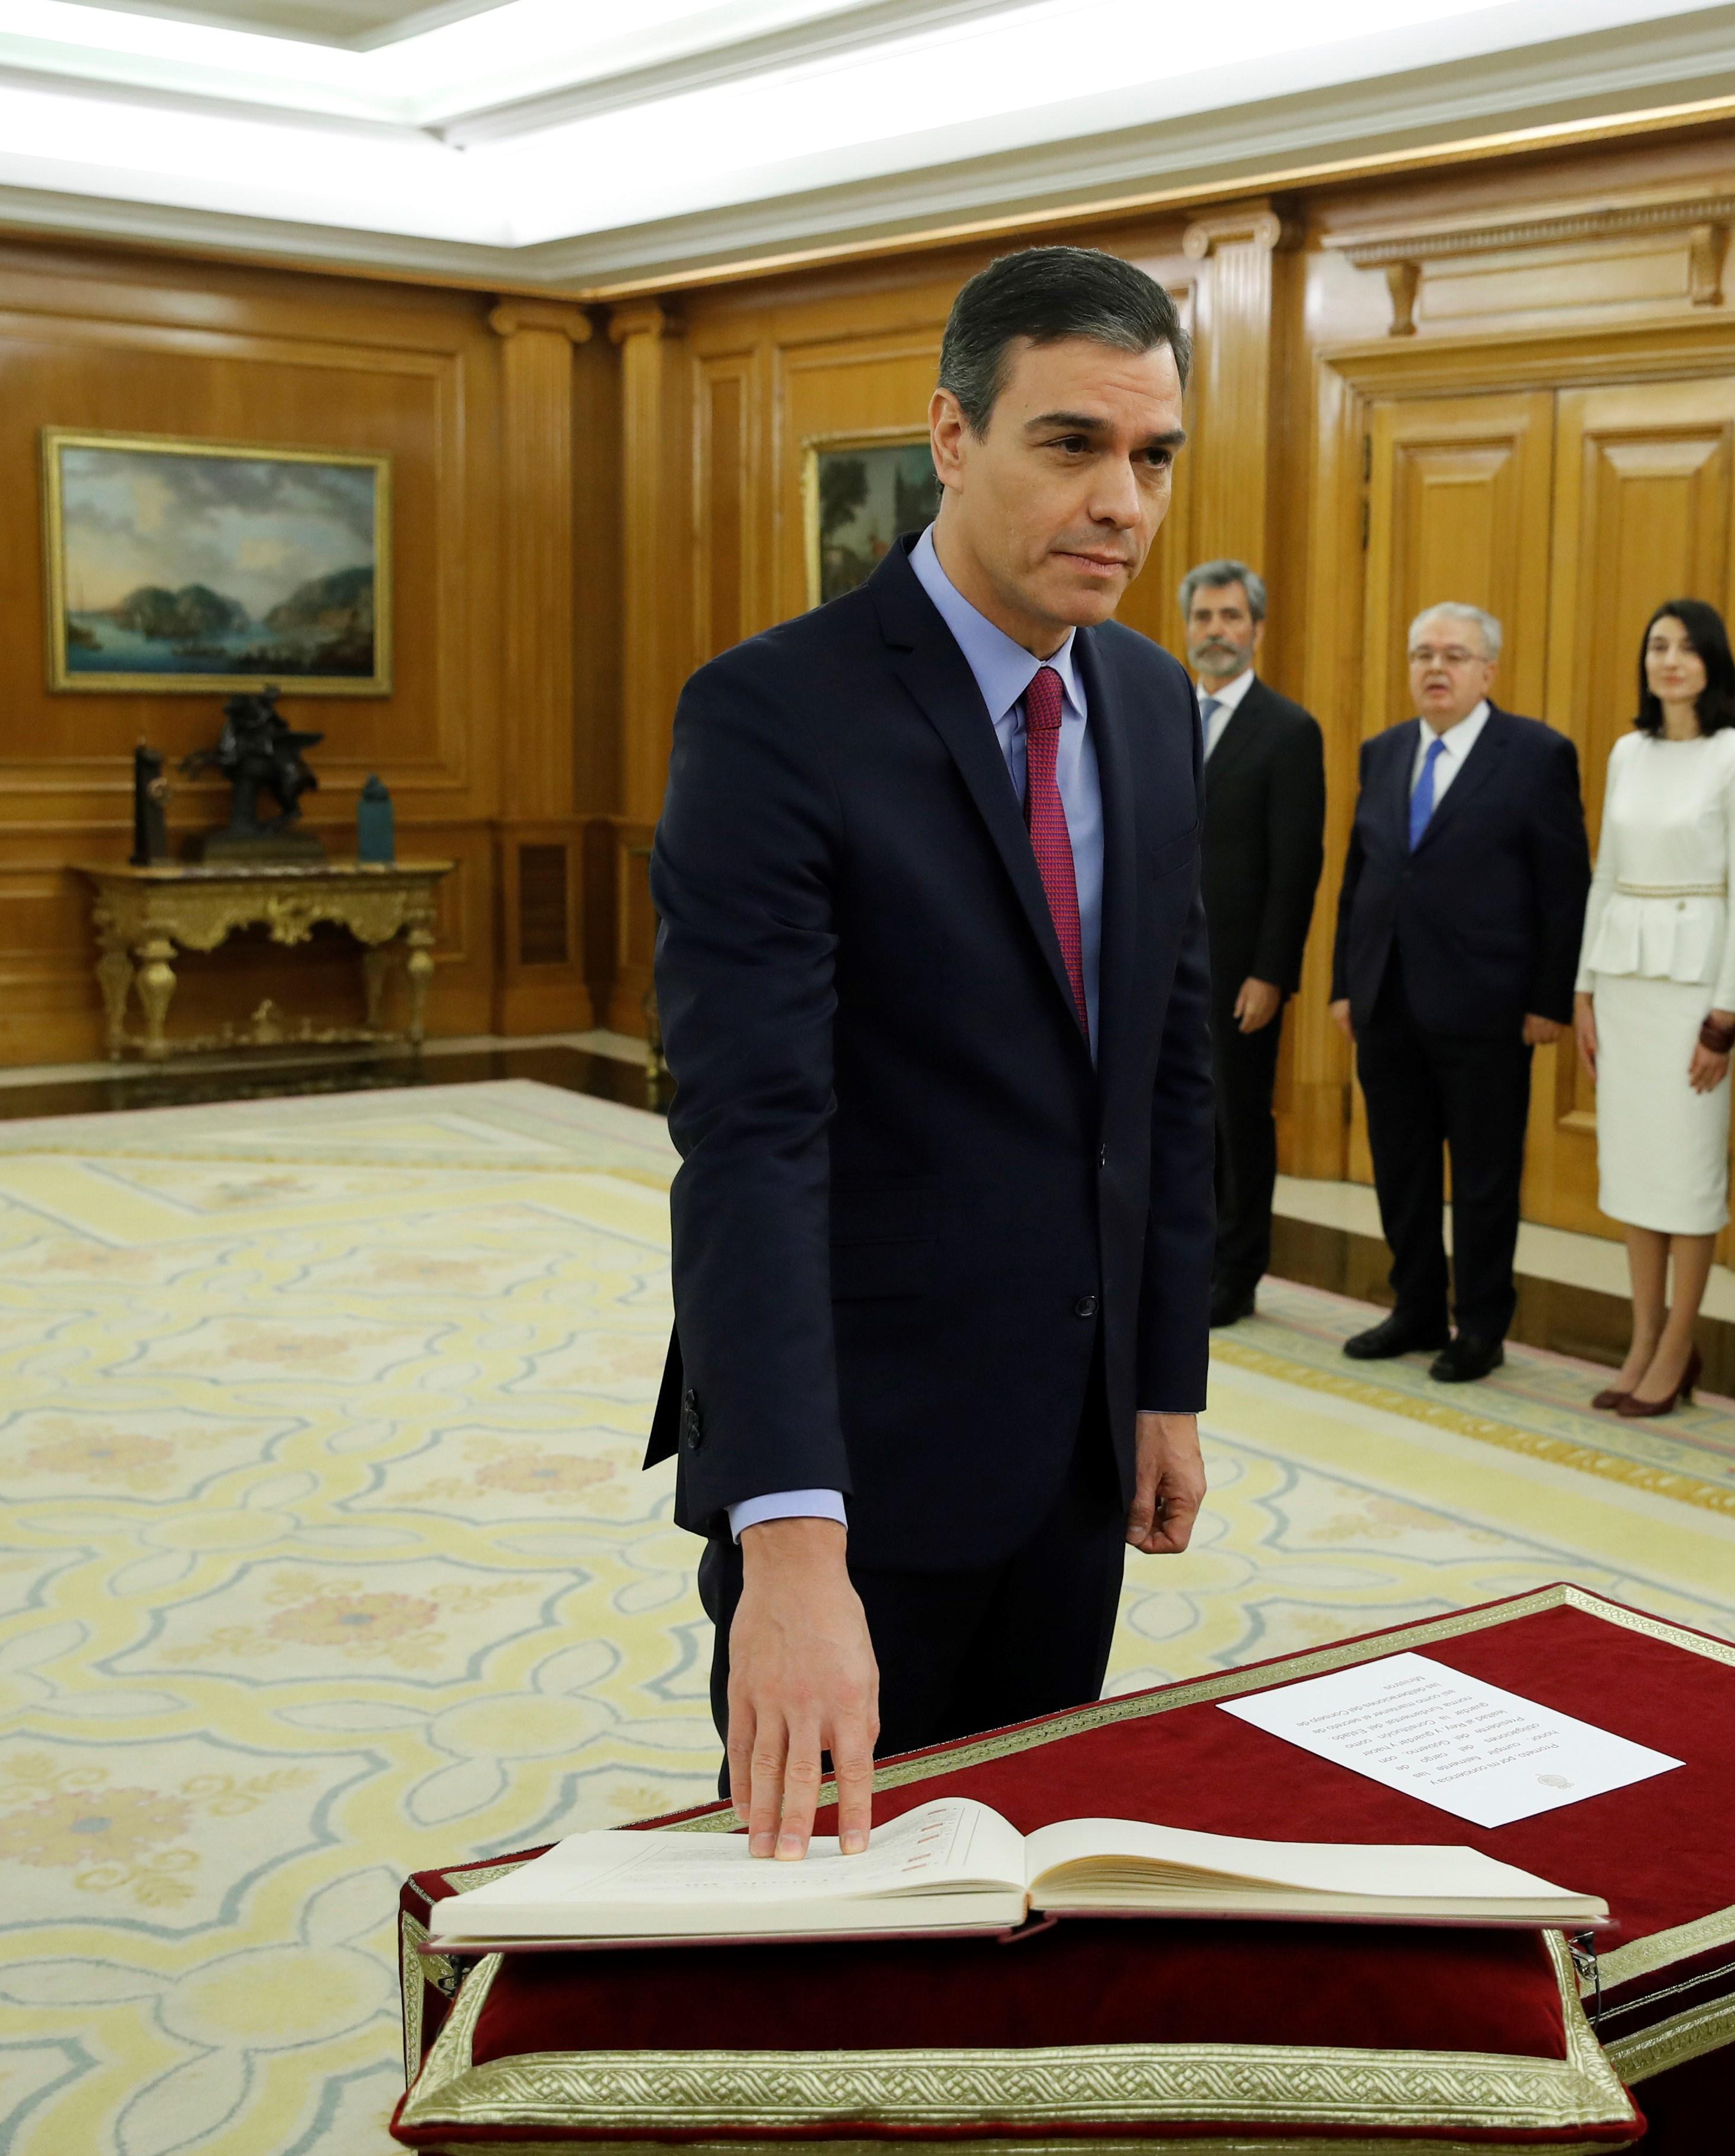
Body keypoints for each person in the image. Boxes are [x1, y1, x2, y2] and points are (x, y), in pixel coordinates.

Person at [646, 247, 1214, 1864]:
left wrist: (1163, 1375)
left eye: (1152, 457)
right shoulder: (772, 715)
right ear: (952, 437)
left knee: (1028, 1877)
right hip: (862, 1459)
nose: (1122, 500)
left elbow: (1167, 1071)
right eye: (1072, 445)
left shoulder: (1154, 704)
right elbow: (754, 1144)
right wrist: (792, 1548)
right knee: (830, 1929)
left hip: (1078, 1453)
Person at [1328, 603, 1590, 1382]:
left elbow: (1563, 888)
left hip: (1487, 1007)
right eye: (1421, 654)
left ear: (1488, 671)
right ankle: (1414, 1307)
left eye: (1453, 654)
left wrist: (1548, 999)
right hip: (1387, 1001)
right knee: (1400, 1167)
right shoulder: (1384, 752)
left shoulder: (1537, 755)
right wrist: (1347, 982)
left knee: (1483, 1176)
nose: (1435, 668)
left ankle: (1480, 1324)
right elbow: (1360, 881)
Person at [1570, 599, 1735, 1417]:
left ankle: (1680, 1341)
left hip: (1695, 990)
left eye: (1688, 647)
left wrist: (1726, 1016)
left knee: (1688, 1176)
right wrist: (1583, 988)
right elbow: (1608, 872)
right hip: (1624, 982)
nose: (1671, 660)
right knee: (1636, 1170)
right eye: (1658, 645)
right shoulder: (1628, 751)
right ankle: (1642, 1337)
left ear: (1713, 662)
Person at [1178, 559, 1326, 1327]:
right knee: (1175, 1120)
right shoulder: (1163, 712)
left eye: (1231, 618)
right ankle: (1185, 1259)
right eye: (1204, 618)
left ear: (1258, 630)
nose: (1216, 633)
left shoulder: (1290, 731)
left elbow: (1296, 868)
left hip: (1241, 972)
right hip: (1163, 968)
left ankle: (1237, 1272)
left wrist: (1273, 973)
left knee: (1238, 1122)